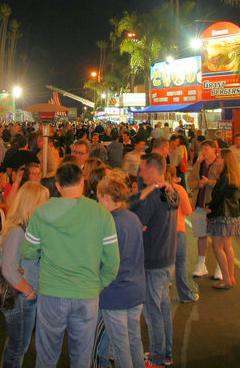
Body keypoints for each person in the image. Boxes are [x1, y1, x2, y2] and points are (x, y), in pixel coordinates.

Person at [21, 163, 120, 368]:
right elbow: (112, 262)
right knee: (82, 357)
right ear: (82, 182)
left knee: (47, 356)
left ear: (57, 185)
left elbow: (28, 252)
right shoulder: (101, 214)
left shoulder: (41, 213)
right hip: (87, 294)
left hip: (51, 293)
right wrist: (97, 284)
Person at [128, 153, 178, 368]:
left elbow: (132, 216)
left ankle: (157, 358)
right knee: (163, 308)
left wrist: (142, 195)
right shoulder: (170, 192)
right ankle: (165, 353)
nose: (139, 173)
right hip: (167, 258)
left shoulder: (151, 197)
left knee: (152, 312)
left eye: (142, 169)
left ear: (151, 170)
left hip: (152, 260)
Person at [97, 171, 146, 368]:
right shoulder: (133, 218)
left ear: (107, 198)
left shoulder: (108, 223)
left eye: (99, 198)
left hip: (115, 293)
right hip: (135, 289)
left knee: (119, 346)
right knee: (134, 340)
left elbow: (105, 261)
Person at [0, 181, 50, 368]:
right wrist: (29, 291)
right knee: (18, 347)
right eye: (43, 201)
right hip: (21, 298)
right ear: (32, 203)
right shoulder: (19, 231)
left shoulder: (25, 228)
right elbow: (9, 269)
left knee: (16, 345)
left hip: (23, 297)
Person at [206, 148, 240, 289]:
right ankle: (230, 276)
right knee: (228, 246)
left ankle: (226, 278)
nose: (217, 159)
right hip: (231, 214)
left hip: (222, 214)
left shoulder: (225, 177)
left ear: (225, 160)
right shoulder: (233, 176)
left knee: (217, 246)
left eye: (220, 157)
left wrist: (209, 210)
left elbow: (217, 197)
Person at [187, 140, 222, 278]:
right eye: (202, 149)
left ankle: (220, 266)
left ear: (214, 150)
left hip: (214, 206)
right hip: (199, 205)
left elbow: (224, 184)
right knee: (201, 235)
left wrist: (210, 183)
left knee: (217, 238)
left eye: (206, 149)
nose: (204, 152)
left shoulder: (219, 165)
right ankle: (201, 264)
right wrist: (199, 184)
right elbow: (190, 181)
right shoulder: (199, 164)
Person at [166, 164, 197, 303]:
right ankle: (185, 295)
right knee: (180, 263)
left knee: (163, 263)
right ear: (174, 176)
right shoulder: (179, 190)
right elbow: (188, 211)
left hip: (163, 231)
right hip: (178, 229)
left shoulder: (157, 189)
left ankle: (161, 292)